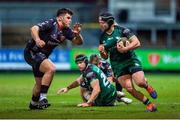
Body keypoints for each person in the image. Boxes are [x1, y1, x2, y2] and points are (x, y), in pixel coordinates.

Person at [24, 8, 83, 109]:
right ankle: (43, 98)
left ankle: (33, 104)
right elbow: (33, 28)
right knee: (51, 68)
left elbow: (79, 42)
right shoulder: (52, 23)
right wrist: (37, 39)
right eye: (68, 18)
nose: (70, 20)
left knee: (39, 85)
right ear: (60, 18)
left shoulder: (66, 31)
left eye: (71, 18)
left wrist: (77, 34)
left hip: (42, 56)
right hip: (32, 52)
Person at [98, 12, 157, 112]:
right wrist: (102, 52)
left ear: (109, 22)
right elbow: (105, 56)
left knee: (140, 82)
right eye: (99, 22)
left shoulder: (122, 30)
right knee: (129, 88)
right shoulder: (102, 37)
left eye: (102, 22)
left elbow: (137, 42)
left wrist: (125, 49)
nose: (100, 24)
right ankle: (150, 105)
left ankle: (147, 86)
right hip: (117, 65)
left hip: (130, 60)